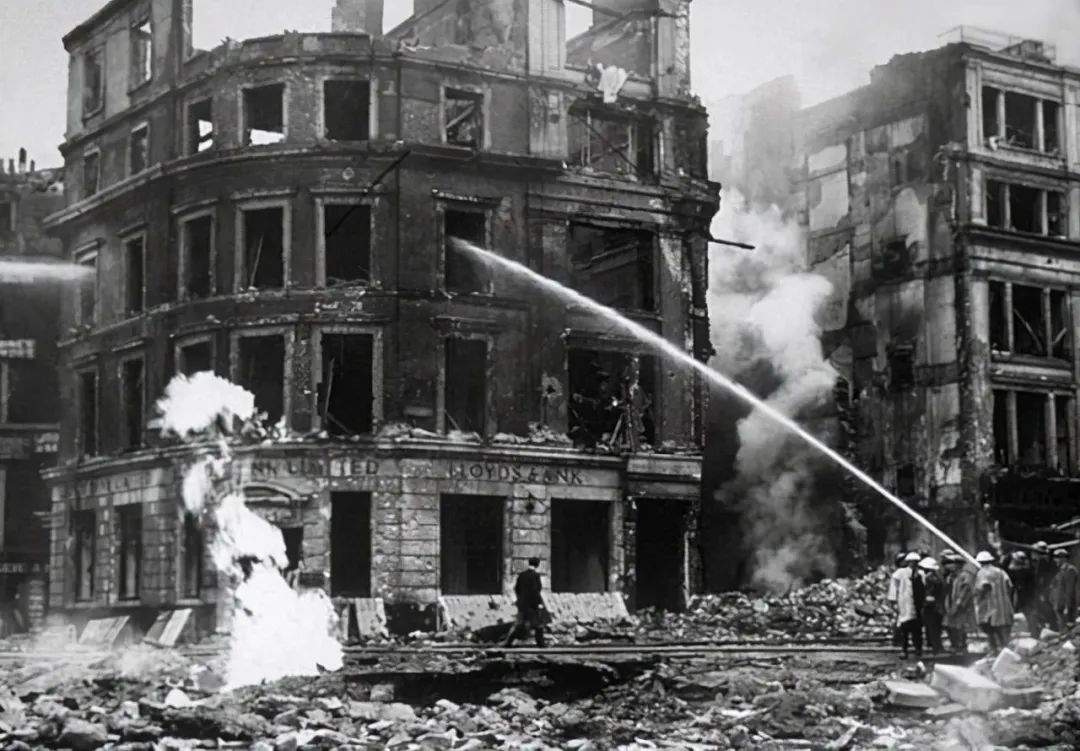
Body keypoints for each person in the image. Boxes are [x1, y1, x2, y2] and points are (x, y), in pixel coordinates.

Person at [974, 550, 1014, 654]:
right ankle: (1007, 652)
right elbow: (1010, 586)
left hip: (990, 606)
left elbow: (981, 589)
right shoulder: (1001, 572)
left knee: (990, 630)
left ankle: (994, 651)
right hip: (1004, 606)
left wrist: (979, 601)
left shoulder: (982, 573)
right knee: (1004, 631)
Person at [504, 557, 547, 648]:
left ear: (529, 563)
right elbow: (536, 590)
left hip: (523, 605)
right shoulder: (536, 575)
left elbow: (517, 588)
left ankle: (509, 642)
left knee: (521, 624)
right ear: (537, 565)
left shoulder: (522, 575)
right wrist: (539, 603)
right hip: (532, 605)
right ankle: (541, 644)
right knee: (538, 624)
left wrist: (520, 599)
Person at [942, 550, 977, 655]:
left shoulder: (965, 576)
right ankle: (955, 645)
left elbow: (966, 590)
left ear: (958, 564)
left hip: (962, 605)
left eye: (953, 563)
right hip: (951, 603)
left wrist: (959, 603)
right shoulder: (952, 576)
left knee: (960, 626)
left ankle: (962, 646)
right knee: (951, 625)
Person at [890, 552, 924, 658]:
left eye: (915, 562)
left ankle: (918, 649)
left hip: (917, 604)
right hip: (905, 603)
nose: (913, 564)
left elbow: (924, 588)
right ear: (908, 562)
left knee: (917, 629)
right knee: (904, 628)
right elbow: (894, 587)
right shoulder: (901, 573)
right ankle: (904, 650)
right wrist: (893, 600)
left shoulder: (921, 574)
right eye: (911, 562)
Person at [1004, 549, 1037, 634]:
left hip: (1024, 599)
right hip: (1023, 598)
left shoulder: (1024, 572)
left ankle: (1032, 632)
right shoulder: (1027, 571)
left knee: (1027, 616)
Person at [919, 557, 945, 654]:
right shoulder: (937, 577)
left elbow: (928, 592)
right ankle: (936, 647)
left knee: (932, 628)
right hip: (936, 605)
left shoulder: (929, 577)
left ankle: (936, 648)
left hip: (931, 605)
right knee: (935, 628)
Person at [1032, 541, 1058, 633]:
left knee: (1045, 608)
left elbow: (1038, 577)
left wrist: (1040, 591)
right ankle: (1053, 626)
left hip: (1046, 589)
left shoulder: (1041, 561)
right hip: (1052, 588)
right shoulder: (1052, 560)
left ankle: (1051, 627)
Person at [1050, 548, 1079, 627]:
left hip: (1066, 607)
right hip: (1059, 604)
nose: (1055, 560)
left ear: (1063, 558)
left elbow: (1070, 590)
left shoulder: (1070, 570)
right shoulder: (1061, 570)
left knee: (1068, 628)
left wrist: (1067, 607)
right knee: (1062, 627)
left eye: (1057, 557)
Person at [887, 552, 909, 647]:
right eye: (903, 560)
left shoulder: (907, 572)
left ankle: (901, 639)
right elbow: (893, 588)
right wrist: (893, 601)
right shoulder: (898, 573)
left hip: (906, 598)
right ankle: (897, 639)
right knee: (900, 620)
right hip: (900, 599)